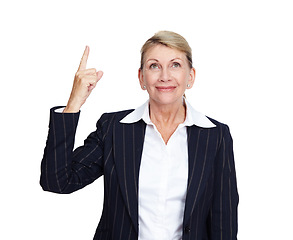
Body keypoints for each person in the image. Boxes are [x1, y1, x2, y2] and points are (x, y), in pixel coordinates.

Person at [40, 31, 239, 240]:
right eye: (154, 66)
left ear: (190, 76)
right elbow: (57, 182)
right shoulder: (114, 129)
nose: (164, 76)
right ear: (141, 77)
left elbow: (223, 220)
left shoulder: (216, 136)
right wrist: (74, 104)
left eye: (175, 65)